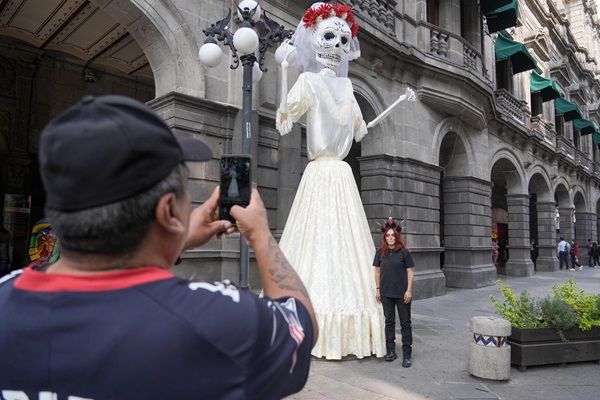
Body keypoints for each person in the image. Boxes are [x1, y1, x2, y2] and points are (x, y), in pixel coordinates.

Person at [0, 95, 317, 399]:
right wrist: (261, 234)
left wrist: (177, 237)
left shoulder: (6, 296)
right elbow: (300, 323)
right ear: (167, 211)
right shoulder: (218, 322)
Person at [274, 2, 414, 360]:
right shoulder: (308, 81)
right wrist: (285, 71)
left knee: (344, 245)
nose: (336, 44)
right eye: (329, 36)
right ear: (315, 39)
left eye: (342, 38)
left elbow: (358, 129)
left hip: (338, 173)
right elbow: (285, 117)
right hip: (321, 171)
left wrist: (365, 124)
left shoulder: (348, 87)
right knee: (316, 243)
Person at [373, 220, 414, 367]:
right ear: (385, 237)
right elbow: (377, 272)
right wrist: (378, 290)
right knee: (389, 322)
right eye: (388, 235)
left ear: (397, 236)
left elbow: (410, 272)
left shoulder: (404, 252)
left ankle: (407, 355)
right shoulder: (380, 253)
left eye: (393, 235)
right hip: (386, 293)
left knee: (405, 323)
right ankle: (391, 351)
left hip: (402, 294)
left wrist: (409, 290)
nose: (390, 237)